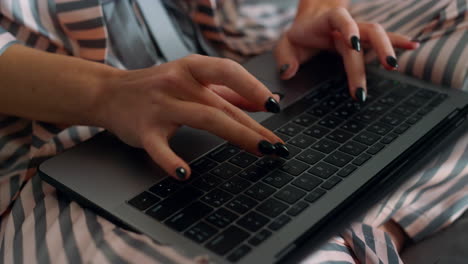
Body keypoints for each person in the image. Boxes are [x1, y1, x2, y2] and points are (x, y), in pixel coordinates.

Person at [0, 0, 466, 263]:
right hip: (69, 125)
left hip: (257, 51)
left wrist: (314, 11)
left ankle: (338, 228)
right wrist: (108, 93)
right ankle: (370, 217)